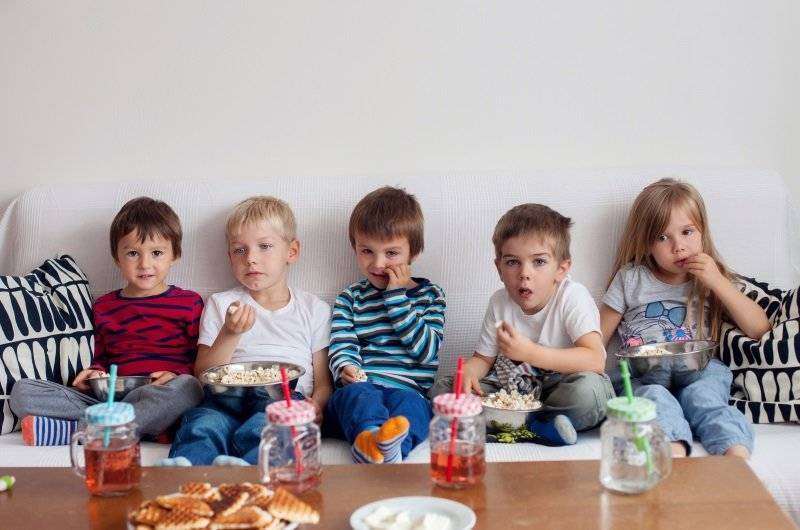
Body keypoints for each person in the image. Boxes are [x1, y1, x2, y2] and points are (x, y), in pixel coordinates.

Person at [10, 197, 204, 445]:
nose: (145, 264)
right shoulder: (104, 306)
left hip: (160, 392)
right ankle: (131, 427)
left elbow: (198, 361)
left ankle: (82, 430)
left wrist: (177, 374)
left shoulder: (189, 302)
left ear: (174, 254)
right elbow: (101, 356)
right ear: (117, 258)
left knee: (190, 387)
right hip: (110, 397)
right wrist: (94, 373)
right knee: (23, 392)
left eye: (156, 253)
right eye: (133, 253)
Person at [600, 178, 769, 458]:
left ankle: (735, 457)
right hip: (645, 375)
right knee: (654, 400)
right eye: (662, 237)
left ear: (702, 231)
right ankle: (674, 452)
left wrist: (718, 282)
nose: (678, 246)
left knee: (703, 398)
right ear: (646, 242)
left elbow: (759, 328)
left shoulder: (712, 276)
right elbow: (598, 338)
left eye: (687, 232)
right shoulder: (631, 278)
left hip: (700, 370)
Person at [161, 196, 332, 466]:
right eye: (240, 250)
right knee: (202, 425)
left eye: (265, 246)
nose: (251, 258)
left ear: (292, 251)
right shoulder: (221, 304)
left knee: (265, 427)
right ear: (230, 256)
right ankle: (185, 479)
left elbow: (323, 381)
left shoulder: (314, 309)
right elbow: (203, 375)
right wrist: (230, 333)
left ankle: (251, 476)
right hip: (224, 399)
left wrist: (317, 406)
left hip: (282, 400)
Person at [432, 203, 614, 446]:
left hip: (561, 390)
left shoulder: (572, 297)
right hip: (515, 391)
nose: (524, 273)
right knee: (444, 389)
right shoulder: (499, 302)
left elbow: (595, 359)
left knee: (588, 393)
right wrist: (469, 372)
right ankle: (538, 427)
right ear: (499, 268)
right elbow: (483, 359)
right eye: (512, 262)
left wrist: (530, 353)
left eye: (539, 262)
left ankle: (513, 425)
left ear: (561, 269)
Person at [325, 186, 445, 463]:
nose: (378, 264)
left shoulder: (431, 296)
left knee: (416, 409)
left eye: (391, 253)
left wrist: (396, 298)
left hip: (407, 391)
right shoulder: (350, 298)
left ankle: (390, 451)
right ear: (355, 248)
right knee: (357, 397)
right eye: (367, 251)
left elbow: (426, 352)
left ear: (413, 252)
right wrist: (345, 368)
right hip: (360, 388)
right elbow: (342, 344)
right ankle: (368, 438)